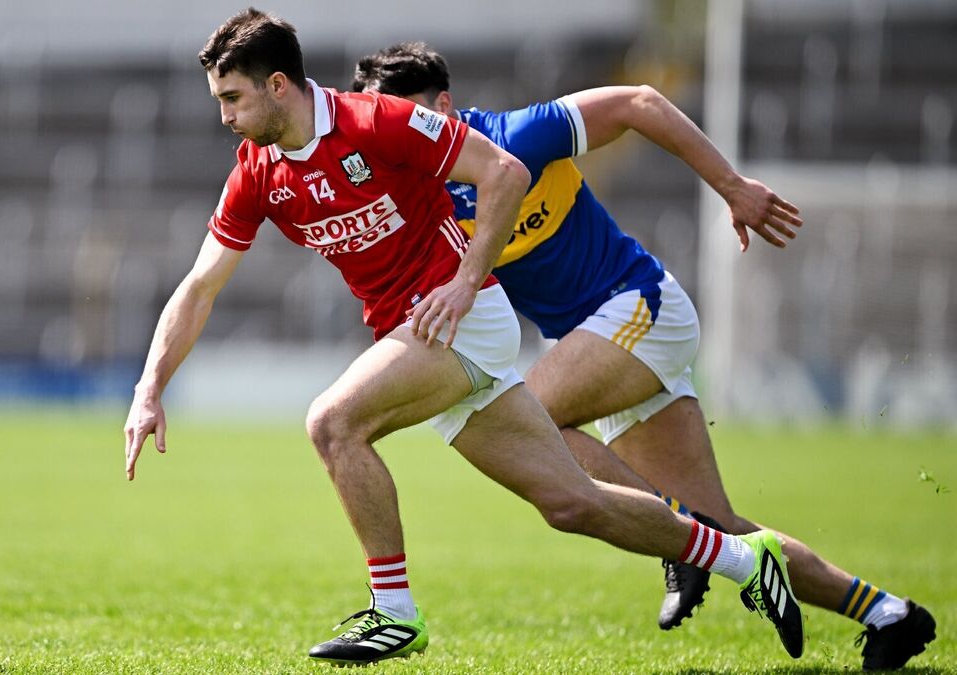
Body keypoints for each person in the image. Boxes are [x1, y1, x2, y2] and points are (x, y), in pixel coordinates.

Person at [123, 8, 805, 667]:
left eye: (233, 98)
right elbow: (199, 287)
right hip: (420, 335)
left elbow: (505, 171)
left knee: (333, 423)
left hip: (464, 320)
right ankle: (743, 557)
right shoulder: (257, 172)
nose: (225, 116)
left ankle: (394, 612)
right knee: (574, 503)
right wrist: (150, 387)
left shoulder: (376, 120)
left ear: (278, 85)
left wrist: (465, 280)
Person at [352, 41, 937, 670]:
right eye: (377, 120)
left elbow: (639, 102)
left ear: (443, 106)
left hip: (640, 308)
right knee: (721, 530)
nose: (390, 132)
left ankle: (682, 547)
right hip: (596, 344)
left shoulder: (512, 139)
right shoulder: (408, 187)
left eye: (401, 115)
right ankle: (890, 615)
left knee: (535, 422)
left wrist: (732, 187)